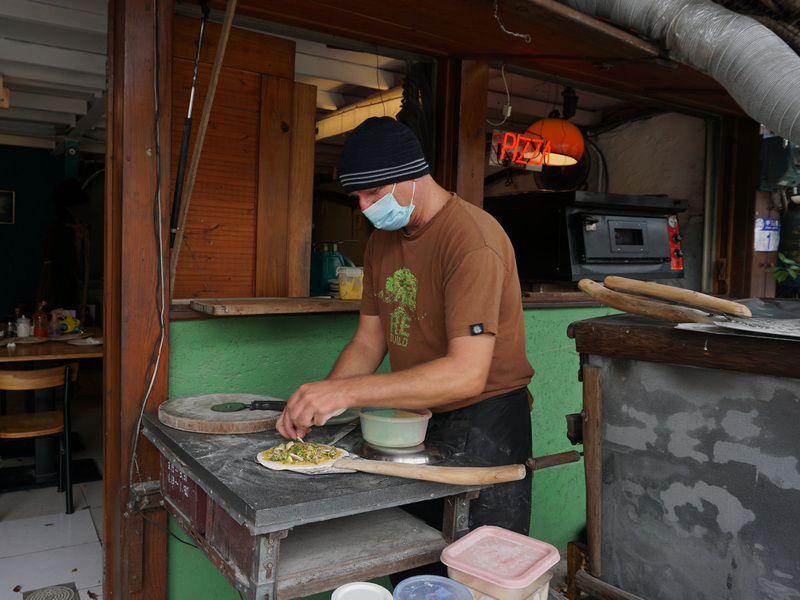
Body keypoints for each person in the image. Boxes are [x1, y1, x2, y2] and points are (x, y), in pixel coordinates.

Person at [276, 116, 534, 541]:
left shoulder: (471, 241)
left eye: (372, 192)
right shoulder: (382, 240)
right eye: (356, 195)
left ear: (412, 175)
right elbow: (368, 340)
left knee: (476, 565)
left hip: (485, 423)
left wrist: (348, 393)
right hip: (412, 417)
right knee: (411, 548)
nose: (363, 207)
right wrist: (320, 403)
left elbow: (466, 376)